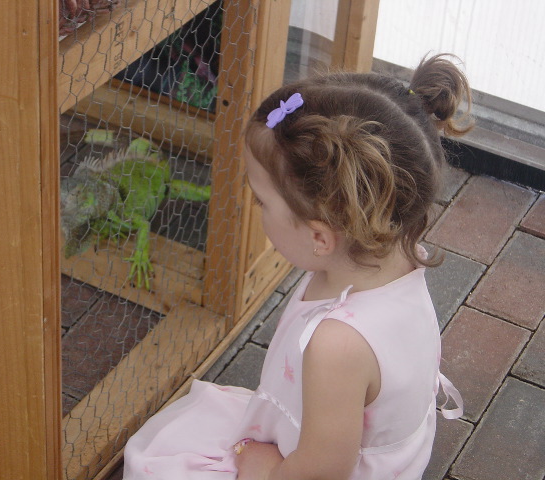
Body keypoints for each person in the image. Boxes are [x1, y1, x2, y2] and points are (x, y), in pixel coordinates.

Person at [123, 53, 471, 480]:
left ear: (320, 237)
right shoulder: (392, 255)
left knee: (154, 463)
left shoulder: (337, 345)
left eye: (262, 201)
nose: (255, 209)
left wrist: (266, 468)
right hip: (365, 446)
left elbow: (322, 473)